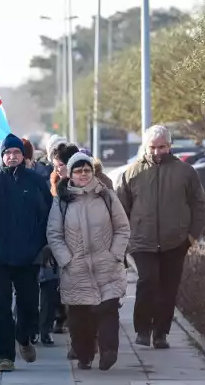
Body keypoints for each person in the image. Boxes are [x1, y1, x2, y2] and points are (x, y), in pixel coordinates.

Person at [117, 125, 205, 349]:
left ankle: (161, 333)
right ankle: (142, 329)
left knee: (168, 287)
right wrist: (126, 240)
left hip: (175, 241)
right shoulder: (131, 173)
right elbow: (119, 210)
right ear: (146, 147)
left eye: (162, 147)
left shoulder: (186, 172)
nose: (157, 151)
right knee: (147, 281)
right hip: (142, 241)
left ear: (170, 146)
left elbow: (199, 206)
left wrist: (192, 237)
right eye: (153, 147)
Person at [0, 134, 52, 372]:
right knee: (1, 307)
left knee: (29, 304)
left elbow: (46, 213)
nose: (11, 157)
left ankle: (24, 338)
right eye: (7, 153)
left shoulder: (36, 180)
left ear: (23, 156)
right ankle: (5, 356)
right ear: (2, 156)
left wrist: (42, 245)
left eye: (16, 153)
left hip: (28, 255)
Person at [47, 152, 130, 370]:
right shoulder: (62, 201)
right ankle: (84, 355)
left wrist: (115, 254)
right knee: (79, 319)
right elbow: (54, 234)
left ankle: (109, 352)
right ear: (70, 174)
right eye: (78, 170)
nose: (83, 174)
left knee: (108, 310)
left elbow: (122, 228)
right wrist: (66, 259)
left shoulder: (106, 196)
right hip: (76, 269)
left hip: (106, 266)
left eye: (87, 170)